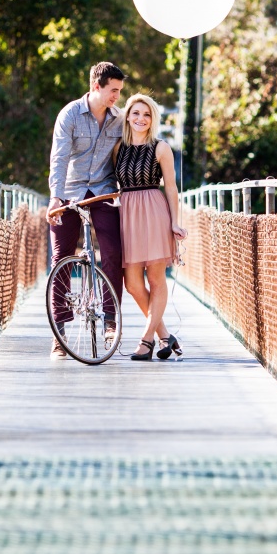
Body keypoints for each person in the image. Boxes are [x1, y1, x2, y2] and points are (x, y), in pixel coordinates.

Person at [46, 61, 126, 359]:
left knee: (114, 251)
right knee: (61, 258)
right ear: (96, 86)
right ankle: (60, 332)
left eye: (120, 91)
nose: (117, 96)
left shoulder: (119, 119)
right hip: (69, 191)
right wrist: (56, 198)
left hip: (103, 191)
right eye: (113, 90)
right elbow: (59, 158)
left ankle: (110, 320)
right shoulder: (69, 115)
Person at [113, 93, 188, 361]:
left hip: (154, 212)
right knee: (132, 283)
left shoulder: (161, 148)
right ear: (128, 116)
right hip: (128, 214)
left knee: (156, 279)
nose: (140, 119)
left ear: (152, 118)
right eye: (135, 113)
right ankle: (165, 335)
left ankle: (146, 340)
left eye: (146, 114)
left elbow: (171, 187)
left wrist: (175, 221)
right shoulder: (117, 147)